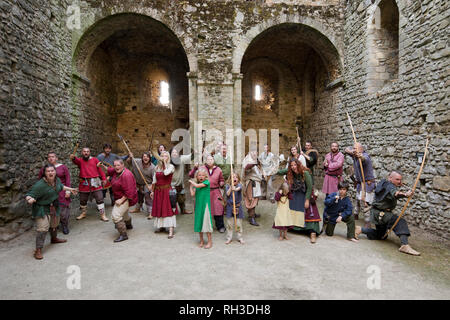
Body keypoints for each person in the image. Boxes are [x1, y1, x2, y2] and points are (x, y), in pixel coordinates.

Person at [356, 171, 420, 256]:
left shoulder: (384, 183)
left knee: (381, 235)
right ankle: (404, 245)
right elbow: (395, 194)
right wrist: (405, 194)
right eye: (397, 179)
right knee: (400, 222)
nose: (399, 182)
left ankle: (360, 230)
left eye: (400, 180)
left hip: (377, 213)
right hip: (382, 214)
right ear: (390, 178)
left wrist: (399, 187)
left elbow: (392, 191)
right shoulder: (390, 186)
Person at [26, 164, 78, 260]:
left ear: (55, 172)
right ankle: (38, 250)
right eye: (48, 171)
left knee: (54, 225)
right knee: (42, 229)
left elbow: (60, 186)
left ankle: (54, 239)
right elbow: (29, 194)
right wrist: (30, 199)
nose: (50, 173)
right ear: (44, 173)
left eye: (52, 171)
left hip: (54, 207)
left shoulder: (56, 180)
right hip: (41, 209)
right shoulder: (40, 185)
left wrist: (70, 189)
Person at [277, 159, 315, 243]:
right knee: (290, 208)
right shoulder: (291, 171)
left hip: (304, 195)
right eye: (291, 165)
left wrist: (307, 200)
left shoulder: (305, 173)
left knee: (308, 211)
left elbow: (309, 187)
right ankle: (292, 227)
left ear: (298, 164)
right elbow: (280, 172)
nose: (294, 167)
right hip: (295, 194)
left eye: (295, 165)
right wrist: (273, 170)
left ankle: (311, 232)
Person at [70, 147, 108, 221]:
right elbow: (76, 161)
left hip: (95, 182)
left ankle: (103, 215)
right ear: (82, 152)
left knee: (100, 198)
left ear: (90, 152)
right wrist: (73, 158)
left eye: (87, 151)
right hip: (84, 183)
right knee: (83, 200)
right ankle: (83, 213)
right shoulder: (80, 161)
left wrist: (104, 178)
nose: (86, 153)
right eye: (84, 151)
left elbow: (100, 169)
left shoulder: (95, 160)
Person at [189, 155, 226, 232]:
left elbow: (221, 179)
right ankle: (203, 226)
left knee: (218, 208)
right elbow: (191, 175)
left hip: (215, 191)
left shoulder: (218, 169)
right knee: (204, 209)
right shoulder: (201, 168)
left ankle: (220, 226)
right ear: (205, 161)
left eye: (211, 159)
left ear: (214, 160)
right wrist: (195, 168)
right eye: (208, 159)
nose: (209, 161)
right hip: (203, 191)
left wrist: (222, 183)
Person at [38, 152, 72, 234]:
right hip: (49, 192)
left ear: (56, 158)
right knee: (51, 210)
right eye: (49, 157)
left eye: (52, 157)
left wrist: (68, 191)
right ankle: (54, 227)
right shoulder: (44, 169)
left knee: (63, 210)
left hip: (62, 191)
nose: (51, 158)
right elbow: (40, 180)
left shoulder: (63, 167)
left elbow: (67, 179)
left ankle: (64, 225)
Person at [344, 143, 376, 228]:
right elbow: (346, 149)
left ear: (361, 149)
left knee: (365, 202)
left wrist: (360, 156)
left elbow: (364, 159)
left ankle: (367, 221)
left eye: (356, 148)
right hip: (359, 182)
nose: (354, 150)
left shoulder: (365, 156)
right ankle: (355, 214)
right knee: (358, 200)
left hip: (367, 183)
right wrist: (352, 151)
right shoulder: (354, 155)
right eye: (354, 148)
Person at [107, 159, 138, 242]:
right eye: (115, 165)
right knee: (124, 214)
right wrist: (100, 166)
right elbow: (109, 170)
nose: (116, 167)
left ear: (123, 165)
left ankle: (123, 235)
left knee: (116, 215)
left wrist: (121, 200)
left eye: (118, 165)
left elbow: (130, 191)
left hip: (126, 198)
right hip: (118, 197)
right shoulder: (115, 171)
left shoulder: (126, 175)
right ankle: (128, 225)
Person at [151, 150, 178, 239]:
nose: (164, 157)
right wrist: (152, 191)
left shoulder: (171, 166)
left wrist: (165, 163)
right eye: (162, 155)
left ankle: (170, 230)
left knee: (169, 210)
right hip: (158, 191)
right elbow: (154, 181)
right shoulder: (156, 167)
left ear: (169, 157)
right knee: (160, 208)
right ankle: (161, 227)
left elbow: (166, 173)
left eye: (166, 156)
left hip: (167, 191)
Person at [189, 168, 213, 249]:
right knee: (199, 223)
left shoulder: (206, 182)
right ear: (197, 176)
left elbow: (197, 185)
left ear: (205, 176)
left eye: (203, 175)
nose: (201, 177)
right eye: (199, 175)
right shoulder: (197, 185)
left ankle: (210, 241)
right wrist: (191, 187)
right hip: (198, 207)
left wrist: (192, 182)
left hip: (205, 206)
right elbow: (192, 194)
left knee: (206, 222)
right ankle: (201, 241)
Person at [127, 152, 155, 218]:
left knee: (148, 196)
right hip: (138, 183)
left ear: (150, 158)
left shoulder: (152, 167)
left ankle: (151, 212)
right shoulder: (137, 161)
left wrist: (152, 186)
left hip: (148, 183)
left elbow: (155, 179)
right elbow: (128, 162)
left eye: (147, 157)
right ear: (142, 158)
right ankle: (138, 208)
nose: (145, 158)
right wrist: (130, 157)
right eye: (144, 156)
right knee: (138, 196)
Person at [242, 150, 264, 226]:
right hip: (251, 182)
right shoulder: (247, 159)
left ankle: (253, 214)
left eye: (256, 152)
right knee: (251, 199)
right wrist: (254, 163)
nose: (255, 153)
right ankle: (251, 218)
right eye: (253, 151)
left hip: (256, 182)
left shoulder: (256, 160)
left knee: (255, 198)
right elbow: (246, 168)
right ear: (249, 152)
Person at [170, 147, 192, 215]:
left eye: (176, 152)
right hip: (170, 185)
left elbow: (190, 156)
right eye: (173, 152)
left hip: (180, 184)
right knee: (171, 199)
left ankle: (183, 210)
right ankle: (171, 211)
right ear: (170, 154)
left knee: (182, 198)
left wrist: (195, 152)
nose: (174, 154)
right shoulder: (168, 160)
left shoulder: (181, 158)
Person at [224, 173, 245, 245]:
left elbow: (238, 189)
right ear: (230, 179)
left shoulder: (240, 185)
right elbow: (227, 194)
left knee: (239, 223)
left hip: (238, 207)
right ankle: (229, 238)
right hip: (230, 207)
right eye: (233, 177)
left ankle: (240, 237)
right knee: (229, 223)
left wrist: (235, 189)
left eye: (236, 177)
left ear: (238, 179)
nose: (235, 178)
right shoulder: (227, 186)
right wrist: (231, 187)